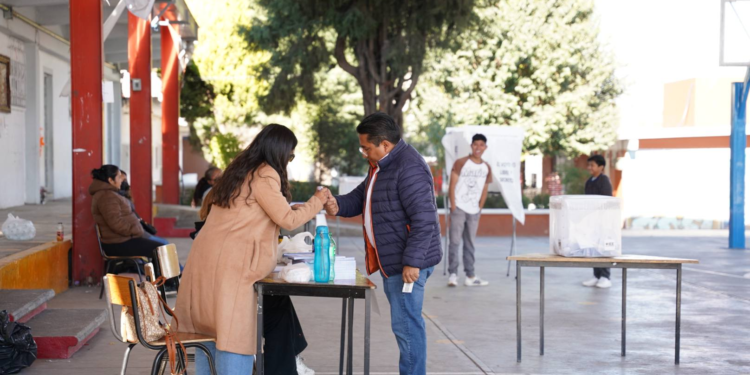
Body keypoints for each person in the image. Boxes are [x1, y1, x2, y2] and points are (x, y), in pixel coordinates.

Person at [175, 124, 327, 375]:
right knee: (233, 333)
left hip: (206, 263)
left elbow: (275, 211)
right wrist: (317, 201)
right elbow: (287, 220)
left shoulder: (240, 171)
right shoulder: (265, 174)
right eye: (290, 155)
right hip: (232, 267)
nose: (289, 161)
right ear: (280, 151)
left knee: (210, 333)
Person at [324, 112, 442, 375]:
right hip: (394, 260)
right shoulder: (383, 165)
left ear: (385, 145)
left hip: (406, 263)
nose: (363, 153)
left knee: (407, 328)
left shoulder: (408, 167)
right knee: (405, 326)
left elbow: (424, 219)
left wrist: (413, 261)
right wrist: (337, 204)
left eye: (366, 147)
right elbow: (363, 196)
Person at [90, 165, 169, 259]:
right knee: (162, 249)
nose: (121, 180)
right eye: (119, 177)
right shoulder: (107, 197)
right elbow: (115, 223)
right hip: (119, 243)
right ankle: (176, 273)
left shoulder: (109, 194)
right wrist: (135, 230)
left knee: (164, 247)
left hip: (124, 239)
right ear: (110, 180)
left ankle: (174, 273)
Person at [447, 134, 492, 287]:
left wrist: (479, 207)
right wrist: (453, 206)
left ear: (485, 147)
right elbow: (452, 185)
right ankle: (453, 274)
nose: (478, 147)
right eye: (475, 144)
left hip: (474, 211)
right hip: (459, 208)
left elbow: (485, 189)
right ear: (471, 146)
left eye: (481, 145)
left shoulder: (486, 167)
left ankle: (470, 276)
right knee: (454, 242)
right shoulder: (461, 163)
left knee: (470, 243)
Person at [581, 154, 614, 289]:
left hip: (604, 221)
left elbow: (606, 201)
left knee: (603, 249)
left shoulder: (604, 181)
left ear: (601, 167)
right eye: (589, 165)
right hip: (591, 221)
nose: (590, 168)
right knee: (593, 248)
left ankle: (605, 277)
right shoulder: (589, 182)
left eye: (592, 165)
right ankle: (597, 275)